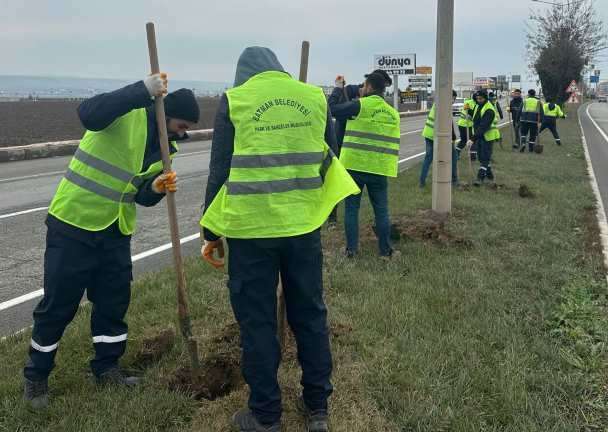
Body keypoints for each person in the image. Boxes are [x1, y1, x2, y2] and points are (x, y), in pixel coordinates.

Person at [201, 47, 359, 432]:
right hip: (303, 228)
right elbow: (330, 154)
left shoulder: (235, 101)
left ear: (244, 75)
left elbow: (220, 169)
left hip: (251, 232)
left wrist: (211, 230)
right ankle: (318, 408)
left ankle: (266, 415)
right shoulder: (314, 97)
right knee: (311, 314)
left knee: (257, 322)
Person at [22, 76, 199, 409]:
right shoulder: (123, 113)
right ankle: (36, 376)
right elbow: (87, 113)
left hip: (115, 232)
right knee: (59, 305)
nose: (181, 132)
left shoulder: (166, 148)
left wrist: (156, 189)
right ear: (165, 111)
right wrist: (142, 90)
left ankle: (107, 368)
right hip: (74, 223)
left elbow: (141, 194)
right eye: (180, 125)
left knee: (113, 304)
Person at [331, 72, 401, 259]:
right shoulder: (393, 114)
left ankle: (351, 251)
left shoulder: (359, 106)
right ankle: (385, 252)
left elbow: (332, 109)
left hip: (354, 166)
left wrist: (338, 89)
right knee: (382, 210)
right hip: (379, 168)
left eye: (363, 86)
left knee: (352, 209)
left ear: (369, 87)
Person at [419, 90, 459, 188]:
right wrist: (453, 137)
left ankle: (422, 182)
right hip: (436, 135)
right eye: (453, 98)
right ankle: (454, 180)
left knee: (428, 158)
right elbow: (449, 123)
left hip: (428, 133)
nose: (454, 101)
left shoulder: (439, 102)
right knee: (453, 156)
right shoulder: (445, 105)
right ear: (451, 97)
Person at [469, 90, 501, 186]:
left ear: (485, 98)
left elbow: (483, 126)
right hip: (480, 136)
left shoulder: (489, 110)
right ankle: (490, 175)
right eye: (477, 99)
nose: (479, 100)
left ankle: (480, 178)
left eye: (481, 99)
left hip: (487, 136)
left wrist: (472, 139)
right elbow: (477, 118)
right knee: (481, 157)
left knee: (485, 157)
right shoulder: (478, 106)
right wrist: (469, 112)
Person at [455, 93, 476, 161]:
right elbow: (470, 112)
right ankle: (472, 156)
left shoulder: (471, 102)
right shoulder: (471, 103)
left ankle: (456, 153)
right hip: (465, 125)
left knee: (464, 141)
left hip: (465, 124)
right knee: (472, 140)